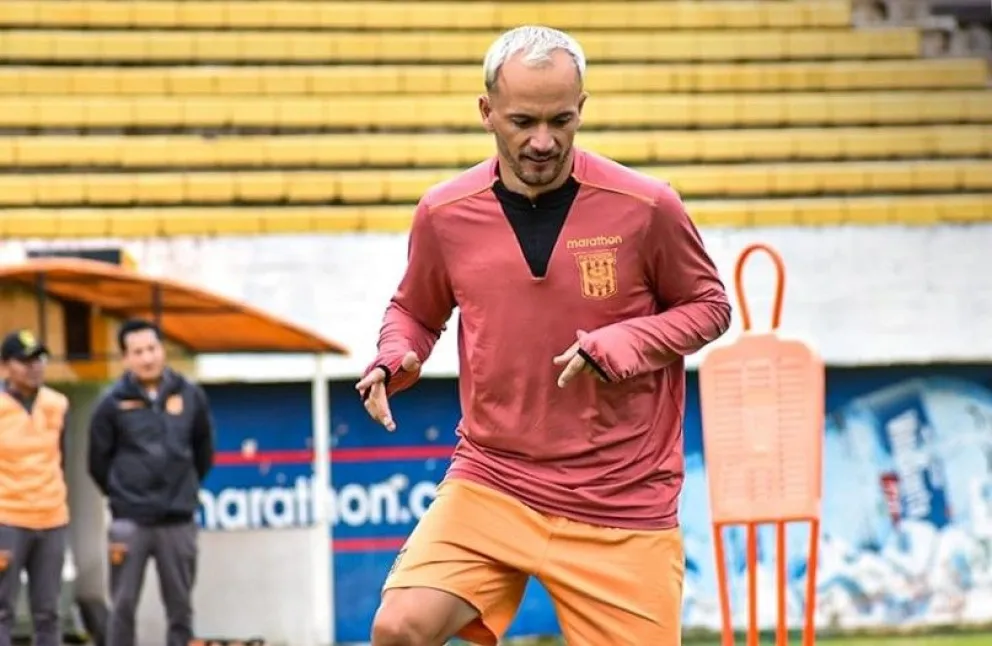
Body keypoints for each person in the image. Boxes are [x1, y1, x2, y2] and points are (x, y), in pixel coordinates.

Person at [356, 25, 733, 646]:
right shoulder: (444, 213)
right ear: (487, 113)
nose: (542, 140)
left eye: (561, 120)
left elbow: (709, 306)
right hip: (494, 477)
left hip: (621, 498)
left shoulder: (648, 206)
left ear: (581, 109)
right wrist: (395, 357)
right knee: (400, 629)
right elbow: (416, 312)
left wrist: (622, 344)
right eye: (523, 120)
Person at [87, 319, 215, 646]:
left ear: (163, 350)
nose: (147, 358)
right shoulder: (110, 403)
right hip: (130, 522)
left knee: (181, 608)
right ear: (125, 358)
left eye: (152, 348)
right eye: (137, 352)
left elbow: (204, 452)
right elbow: (97, 462)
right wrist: (124, 496)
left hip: (178, 520)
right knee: (123, 605)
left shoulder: (191, 395)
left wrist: (182, 490)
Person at [0, 330, 70, 646]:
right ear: (5, 367)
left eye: (39, 359)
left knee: (48, 612)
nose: (35, 367)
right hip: (8, 520)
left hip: (52, 518)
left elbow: (62, 457)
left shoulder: (57, 403)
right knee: (3, 610)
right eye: (25, 361)